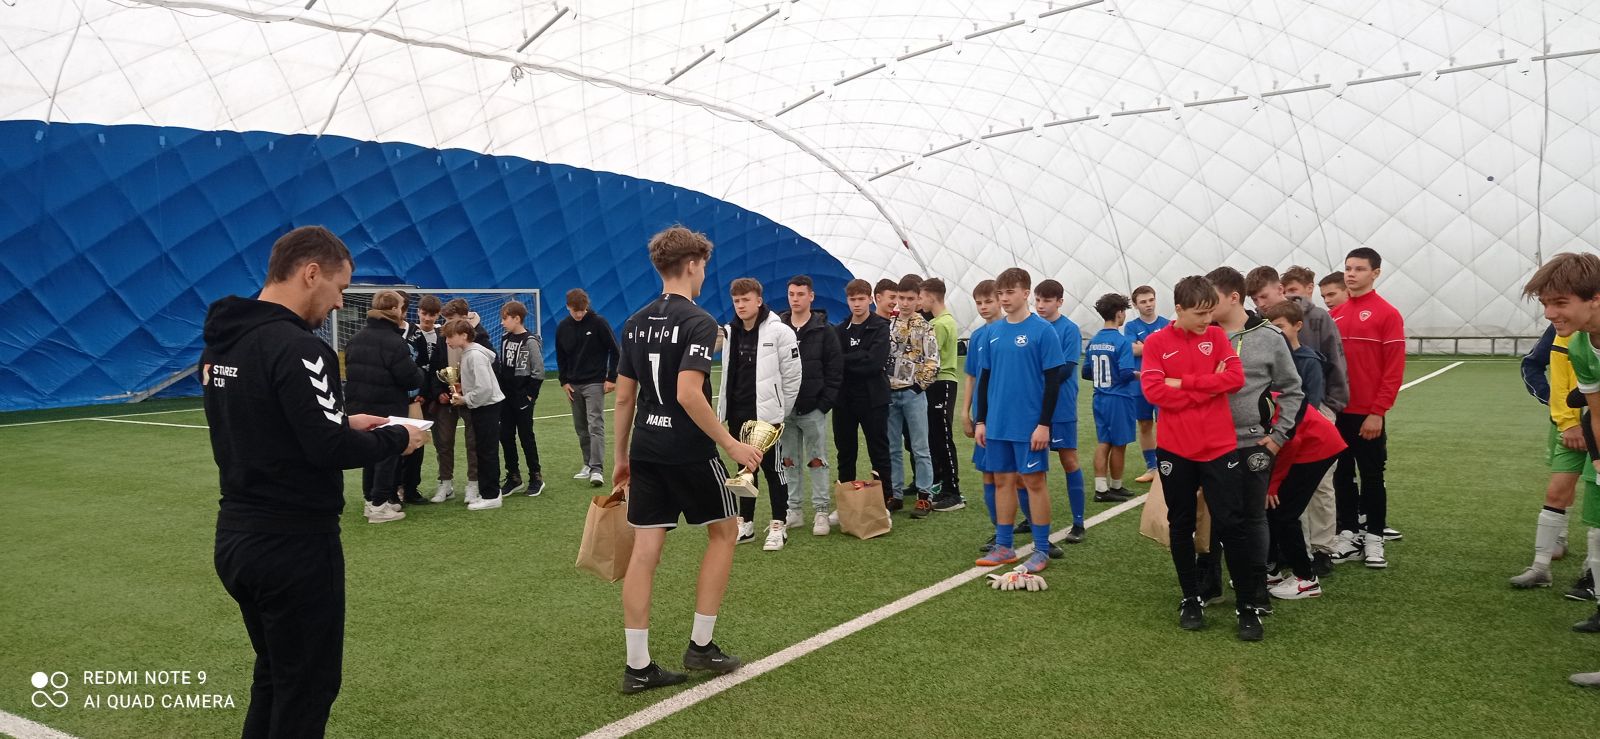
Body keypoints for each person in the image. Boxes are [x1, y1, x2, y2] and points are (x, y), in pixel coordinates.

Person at [202, 225, 426, 738]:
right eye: (340, 287)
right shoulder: (301, 348)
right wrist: (398, 437)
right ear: (310, 273)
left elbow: (268, 423)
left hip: (237, 537)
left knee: (275, 677)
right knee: (306, 688)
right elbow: (328, 450)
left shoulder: (221, 344)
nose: (341, 302)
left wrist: (344, 422)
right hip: (293, 545)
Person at [612, 225, 763, 694]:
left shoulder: (634, 322)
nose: (703, 275)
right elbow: (688, 394)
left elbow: (624, 398)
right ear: (693, 264)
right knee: (725, 532)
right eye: (703, 267)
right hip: (689, 452)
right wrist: (732, 445)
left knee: (645, 553)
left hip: (646, 449)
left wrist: (620, 458)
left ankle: (638, 667)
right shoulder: (699, 321)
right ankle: (701, 645)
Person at [1139, 276, 1254, 639]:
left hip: (1219, 447)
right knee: (1181, 524)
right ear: (1179, 309)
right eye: (1200, 314)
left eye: (1210, 312)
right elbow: (1155, 391)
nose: (1207, 320)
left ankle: (1247, 606)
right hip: (1176, 449)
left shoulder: (1218, 337)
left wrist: (1183, 383)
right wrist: (1207, 386)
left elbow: (1235, 379)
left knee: (1232, 524)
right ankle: (1190, 598)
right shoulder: (1157, 343)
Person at [1202, 266, 1303, 614]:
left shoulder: (1269, 336)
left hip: (1251, 443)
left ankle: (1257, 590)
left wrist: (1278, 436)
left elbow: (1293, 390)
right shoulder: (1199, 334)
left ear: (1233, 297)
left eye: (1211, 298)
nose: (1204, 305)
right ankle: (1209, 583)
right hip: (1206, 444)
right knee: (1210, 514)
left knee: (1253, 516)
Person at [1254, 265, 1349, 574]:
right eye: (1255, 299)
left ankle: (1322, 548)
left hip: (1311, 418)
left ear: (1279, 289)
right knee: (1294, 492)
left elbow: (1333, 365)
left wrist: (1330, 407)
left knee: (1319, 486)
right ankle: (1298, 549)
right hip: (1288, 421)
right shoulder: (1263, 331)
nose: (1260, 303)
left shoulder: (1316, 321)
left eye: (1263, 296)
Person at [973, 268, 1067, 574]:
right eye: (1000, 293)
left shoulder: (1043, 331)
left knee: (1033, 482)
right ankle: (1004, 546)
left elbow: (1052, 382)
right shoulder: (992, 332)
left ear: (1026, 293)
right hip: (997, 424)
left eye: (1010, 292)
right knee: (1003, 481)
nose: (1004, 298)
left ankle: (1041, 549)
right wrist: (981, 420)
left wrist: (1044, 425)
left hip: (1029, 426)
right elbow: (985, 379)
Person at [1329, 247, 1406, 569]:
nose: (1351, 274)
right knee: (1342, 475)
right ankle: (1348, 535)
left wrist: (1378, 412)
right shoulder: (1335, 314)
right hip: (1337, 412)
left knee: (1372, 477)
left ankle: (1374, 538)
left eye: (1359, 269)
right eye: (1348, 268)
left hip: (1368, 414)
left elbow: (1393, 369)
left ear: (1375, 273)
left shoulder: (1387, 314)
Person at [716, 278, 801, 550]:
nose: (741, 305)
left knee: (773, 470)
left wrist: (779, 412)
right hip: (737, 413)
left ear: (759, 301)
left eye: (746, 300)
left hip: (766, 416)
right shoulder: (730, 331)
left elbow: (793, 376)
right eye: (736, 301)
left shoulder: (780, 332)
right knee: (744, 469)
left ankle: (779, 524)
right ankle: (746, 524)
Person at [1516, 324, 1594, 598]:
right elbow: (1534, 365)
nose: (1551, 313)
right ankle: (1542, 565)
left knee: (1595, 497)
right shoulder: (1562, 329)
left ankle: (1592, 573)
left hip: (1595, 425)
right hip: (1568, 423)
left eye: (1558, 304)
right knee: (1557, 490)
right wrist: (1560, 410)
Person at [342, 289, 425, 524]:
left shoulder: (355, 338)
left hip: (358, 405)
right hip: (386, 406)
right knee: (387, 453)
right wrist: (420, 373)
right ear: (395, 309)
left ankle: (371, 500)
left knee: (369, 452)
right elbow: (410, 378)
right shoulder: (394, 342)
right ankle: (379, 504)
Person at [780, 275, 844, 536]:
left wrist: (824, 403)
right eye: (791, 294)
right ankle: (793, 510)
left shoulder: (825, 330)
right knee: (788, 461)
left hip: (813, 408)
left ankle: (821, 511)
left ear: (811, 296)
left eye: (800, 294)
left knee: (818, 460)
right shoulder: (778, 328)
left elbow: (835, 369)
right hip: (785, 410)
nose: (795, 299)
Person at [1034, 279, 1087, 541]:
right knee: (1034, 466)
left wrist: (1032, 377)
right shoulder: (1032, 327)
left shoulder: (1069, 329)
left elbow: (1065, 369)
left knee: (1068, 460)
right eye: (1037, 300)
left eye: (1047, 300)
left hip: (1061, 405)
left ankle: (1078, 522)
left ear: (1059, 302)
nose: (1041, 305)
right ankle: (1033, 517)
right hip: (1034, 407)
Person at [884, 275, 940, 517]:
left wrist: (918, 387)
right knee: (892, 447)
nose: (905, 303)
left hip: (913, 394)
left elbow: (933, 361)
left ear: (918, 299)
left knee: (920, 447)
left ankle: (924, 495)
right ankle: (895, 494)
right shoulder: (889, 325)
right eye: (901, 298)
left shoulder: (926, 327)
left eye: (910, 298)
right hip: (890, 393)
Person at [425, 298, 490, 503]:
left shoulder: (481, 336)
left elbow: (491, 367)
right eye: (445, 320)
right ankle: (445, 484)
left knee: (473, 443)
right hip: (447, 400)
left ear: (464, 317)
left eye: (450, 319)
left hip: (471, 400)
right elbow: (434, 368)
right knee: (443, 442)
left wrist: (468, 390)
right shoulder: (442, 337)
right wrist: (439, 393)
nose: (446, 324)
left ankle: (473, 484)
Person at [556, 288, 621, 487]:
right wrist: (564, 382)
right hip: (573, 384)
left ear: (587, 307)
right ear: (568, 307)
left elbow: (615, 350)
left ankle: (597, 469)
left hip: (595, 382)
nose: (579, 314)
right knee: (581, 427)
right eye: (575, 311)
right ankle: (587, 463)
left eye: (582, 310)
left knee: (595, 425)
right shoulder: (563, 327)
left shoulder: (599, 323)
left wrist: (611, 378)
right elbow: (561, 356)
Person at [834, 279, 892, 487]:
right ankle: (846, 498)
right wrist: (860, 356)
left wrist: (846, 360)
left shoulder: (881, 327)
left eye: (861, 299)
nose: (857, 304)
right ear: (847, 300)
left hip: (873, 399)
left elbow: (874, 363)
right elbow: (833, 363)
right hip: (844, 400)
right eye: (852, 299)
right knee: (845, 452)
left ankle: (885, 497)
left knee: (879, 450)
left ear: (870, 299)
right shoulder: (839, 330)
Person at [444, 319, 506, 511]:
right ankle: (488, 492)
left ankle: (491, 495)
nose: (447, 341)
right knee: (483, 451)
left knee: (487, 451)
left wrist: (464, 399)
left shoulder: (475, 355)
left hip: (486, 407)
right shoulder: (470, 353)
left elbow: (484, 388)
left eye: (450, 336)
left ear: (464, 335)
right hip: (483, 406)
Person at [1084, 293, 1139, 503]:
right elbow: (1125, 373)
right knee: (1119, 443)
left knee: (1104, 441)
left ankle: (1101, 488)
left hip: (1099, 397)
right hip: (1119, 398)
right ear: (1119, 313)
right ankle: (1115, 485)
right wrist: (1138, 375)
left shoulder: (1094, 341)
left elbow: (1086, 372)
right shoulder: (1122, 341)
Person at [921, 278, 966, 512]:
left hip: (942, 383)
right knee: (937, 437)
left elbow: (929, 357)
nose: (919, 302)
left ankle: (954, 492)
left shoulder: (939, 324)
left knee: (943, 438)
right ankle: (946, 488)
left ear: (930, 297)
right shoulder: (944, 320)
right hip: (939, 383)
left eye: (921, 297)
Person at [497, 300, 545, 497]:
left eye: (505, 318)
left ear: (517, 318)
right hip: (506, 398)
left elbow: (538, 371)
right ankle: (514, 476)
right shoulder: (505, 338)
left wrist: (530, 395)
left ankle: (536, 477)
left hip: (522, 398)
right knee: (505, 436)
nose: (502, 322)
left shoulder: (530, 341)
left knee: (526, 437)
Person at [1124, 285, 1170, 484]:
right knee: (1144, 424)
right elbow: (1132, 350)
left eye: (1151, 300)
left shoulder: (1167, 324)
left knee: (1165, 424)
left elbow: (1169, 349)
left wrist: (1144, 346)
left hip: (1163, 382)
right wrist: (1156, 346)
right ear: (1136, 305)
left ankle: (1167, 464)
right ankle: (1152, 467)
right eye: (1143, 302)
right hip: (1140, 383)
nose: (1148, 304)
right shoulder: (1131, 326)